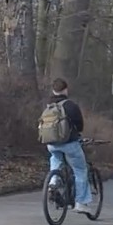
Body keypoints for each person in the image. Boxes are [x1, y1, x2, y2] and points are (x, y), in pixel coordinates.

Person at [44, 77, 93, 214]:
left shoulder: (48, 105)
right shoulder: (70, 105)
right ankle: (81, 203)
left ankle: (53, 182)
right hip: (69, 143)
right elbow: (80, 125)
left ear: (54, 90)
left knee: (55, 159)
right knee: (80, 170)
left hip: (51, 143)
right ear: (65, 89)